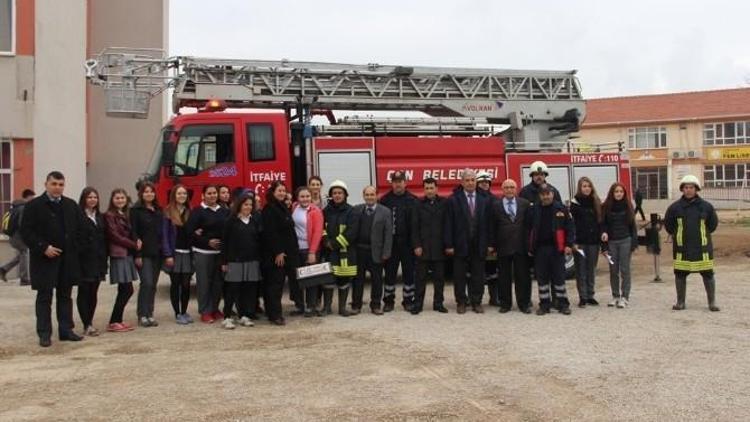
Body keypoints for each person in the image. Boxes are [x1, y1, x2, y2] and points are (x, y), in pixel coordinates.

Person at [20, 172, 85, 347]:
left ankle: (66, 330)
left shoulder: (71, 205)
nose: (57, 187)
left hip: (67, 259)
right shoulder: (34, 206)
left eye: (61, 184)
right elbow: (26, 232)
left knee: (65, 296)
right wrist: (43, 247)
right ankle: (44, 333)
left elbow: (81, 229)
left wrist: (75, 247)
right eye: (54, 184)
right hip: (44, 259)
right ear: (46, 184)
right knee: (44, 297)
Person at [664, 175, 720, 312]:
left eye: (691, 187)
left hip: (703, 248)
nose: (688, 190)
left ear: (696, 189)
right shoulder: (674, 208)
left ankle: (712, 302)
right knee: (680, 274)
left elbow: (712, 225)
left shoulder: (706, 207)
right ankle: (680, 302)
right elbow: (669, 226)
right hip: (682, 248)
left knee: (708, 274)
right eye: (686, 187)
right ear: (682, 189)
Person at [444, 169, 495, 314]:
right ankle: (461, 302)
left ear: (476, 182)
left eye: (473, 180)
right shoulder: (453, 200)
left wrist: (490, 243)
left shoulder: (484, 200)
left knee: (478, 275)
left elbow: (489, 224)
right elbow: (448, 223)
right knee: (459, 275)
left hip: (479, 244)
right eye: (467, 180)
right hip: (460, 244)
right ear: (462, 182)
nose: (470, 183)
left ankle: (476, 302)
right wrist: (449, 244)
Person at [526, 183, 574, 315]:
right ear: (540, 196)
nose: (546, 196)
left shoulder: (561, 209)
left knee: (559, 278)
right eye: (543, 194)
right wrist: (529, 246)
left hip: (557, 249)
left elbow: (570, 228)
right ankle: (544, 305)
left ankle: (563, 304)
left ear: (552, 194)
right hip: (540, 249)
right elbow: (528, 230)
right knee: (542, 279)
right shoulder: (533, 210)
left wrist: (569, 244)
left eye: (548, 194)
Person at [186, 185, 230, 323]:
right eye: (209, 193)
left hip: (220, 253)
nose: (212, 195)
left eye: (214, 193)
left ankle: (215, 309)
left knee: (217, 283)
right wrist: (207, 241)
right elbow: (189, 232)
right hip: (203, 252)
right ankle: (205, 311)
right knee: (204, 283)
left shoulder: (223, 211)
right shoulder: (198, 211)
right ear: (203, 195)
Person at [221, 193, 263, 329]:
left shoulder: (255, 220)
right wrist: (224, 262)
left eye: (251, 205)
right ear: (239, 205)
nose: (248, 207)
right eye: (246, 204)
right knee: (233, 289)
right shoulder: (231, 221)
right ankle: (227, 316)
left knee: (249, 290)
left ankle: (244, 315)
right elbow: (225, 242)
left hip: (252, 260)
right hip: (235, 261)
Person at [261, 181, 300, 325]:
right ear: (272, 192)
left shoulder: (282, 207)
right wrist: (278, 252)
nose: (282, 193)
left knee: (278, 284)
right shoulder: (269, 209)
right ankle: (274, 315)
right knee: (275, 285)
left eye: (284, 191)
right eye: (279, 191)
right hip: (276, 255)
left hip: (287, 252)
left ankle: (274, 311)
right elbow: (270, 233)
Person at [379, 170, 418, 312]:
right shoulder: (384, 200)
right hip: (391, 244)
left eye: (400, 182)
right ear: (392, 184)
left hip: (408, 244)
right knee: (390, 273)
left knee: (409, 273)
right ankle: (389, 301)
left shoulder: (413, 200)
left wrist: (416, 244)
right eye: (395, 182)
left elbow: (416, 225)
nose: (397, 184)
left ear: (405, 183)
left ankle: (408, 300)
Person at [492, 179, 532, 314]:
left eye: (512, 187)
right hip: (503, 246)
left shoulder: (525, 204)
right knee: (504, 277)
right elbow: (491, 226)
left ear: (516, 189)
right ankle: (505, 304)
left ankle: (524, 304)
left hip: (521, 246)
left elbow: (529, 226)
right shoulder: (495, 205)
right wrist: (492, 245)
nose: (509, 190)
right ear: (502, 190)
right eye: (506, 187)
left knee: (523, 277)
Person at [352, 186, 392, 315]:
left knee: (377, 280)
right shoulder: (356, 210)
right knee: (358, 280)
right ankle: (356, 305)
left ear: (377, 195)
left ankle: (375, 305)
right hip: (359, 251)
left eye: (372, 194)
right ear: (363, 196)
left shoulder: (385, 212)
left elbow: (388, 234)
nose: (369, 197)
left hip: (376, 252)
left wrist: (386, 252)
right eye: (367, 195)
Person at [411, 177, 448, 314]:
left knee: (439, 279)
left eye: (432, 188)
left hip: (439, 247)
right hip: (423, 248)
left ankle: (438, 304)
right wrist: (416, 245)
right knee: (420, 279)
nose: (429, 190)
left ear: (437, 189)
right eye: (427, 188)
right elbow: (414, 227)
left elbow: (447, 225)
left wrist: (447, 244)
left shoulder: (444, 203)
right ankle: (418, 304)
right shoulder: (417, 204)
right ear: (424, 189)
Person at [103, 188, 139, 333]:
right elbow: (114, 236)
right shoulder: (109, 216)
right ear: (112, 200)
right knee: (126, 289)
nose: (120, 200)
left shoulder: (126, 214)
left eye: (122, 198)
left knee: (125, 289)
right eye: (117, 198)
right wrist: (133, 244)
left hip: (127, 254)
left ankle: (117, 319)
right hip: (119, 254)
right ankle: (114, 321)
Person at [322, 180, 359, 317]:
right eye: (334, 193)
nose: (337, 195)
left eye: (340, 193)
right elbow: (322, 228)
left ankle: (342, 308)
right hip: (329, 252)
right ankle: (327, 307)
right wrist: (326, 241)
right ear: (331, 195)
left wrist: (335, 243)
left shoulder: (351, 211)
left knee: (344, 279)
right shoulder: (326, 211)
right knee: (328, 280)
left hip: (345, 252)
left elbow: (352, 232)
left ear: (345, 195)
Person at [130, 182, 164, 327]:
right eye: (146, 192)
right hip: (143, 253)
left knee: (153, 285)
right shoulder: (136, 210)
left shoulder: (158, 210)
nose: (149, 194)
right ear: (141, 194)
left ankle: (150, 313)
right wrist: (137, 254)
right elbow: (134, 232)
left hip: (157, 252)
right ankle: (142, 314)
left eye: (151, 191)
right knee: (147, 282)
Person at [76, 187, 108, 336]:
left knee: (94, 292)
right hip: (84, 260)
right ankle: (86, 323)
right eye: (89, 197)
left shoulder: (100, 217)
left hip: (99, 259)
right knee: (84, 292)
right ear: (84, 199)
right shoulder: (78, 216)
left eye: (95, 197)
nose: (93, 200)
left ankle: (90, 321)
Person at [601, 182, 638, 309]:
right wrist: (604, 237)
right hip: (611, 242)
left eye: (621, 192)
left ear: (624, 193)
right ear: (612, 193)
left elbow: (633, 226)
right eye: (616, 191)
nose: (618, 194)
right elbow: (603, 224)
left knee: (625, 270)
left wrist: (633, 243)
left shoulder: (628, 206)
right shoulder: (605, 206)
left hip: (625, 241)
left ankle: (625, 297)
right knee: (613, 270)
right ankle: (615, 296)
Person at [162, 184, 194, 325]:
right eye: (179, 194)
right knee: (175, 284)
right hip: (174, 253)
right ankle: (177, 313)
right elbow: (164, 235)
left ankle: (184, 311)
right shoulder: (168, 212)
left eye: (184, 194)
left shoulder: (190, 211)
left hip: (187, 253)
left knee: (186, 284)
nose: (182, 196)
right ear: (174, 195)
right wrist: (168, 254)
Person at [291, 186, 325, 317]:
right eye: (302, 196)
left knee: (310, 279)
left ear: (311, 197)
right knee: (298, 279)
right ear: (297, 198)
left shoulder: (315, 211)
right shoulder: (294, 207)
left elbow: (317, 233)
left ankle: (311, 306)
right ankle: (300, 306)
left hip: (310, 249)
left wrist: (312, 252)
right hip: (296, 249)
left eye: (307, 196)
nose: (305, 199)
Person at [570, 177, 603, 308]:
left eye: (589, 186)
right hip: (580, 242)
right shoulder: (575, 203)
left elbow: (600, 222)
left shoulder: (596, 202)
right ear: (580, 187)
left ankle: (590, 295)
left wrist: (601, 239)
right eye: (584, 186)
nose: (587, 188)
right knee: (581, 270)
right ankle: (582, 297)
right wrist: (573, 241)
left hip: (593, 242)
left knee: (591, 269)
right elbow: (571, 224)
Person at [0, 188, 35, 285]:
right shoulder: (23, 208)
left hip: (13, 236)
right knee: (25, 253)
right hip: (18, 236)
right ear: (27, 197)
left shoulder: (15, 207)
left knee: (23, 255)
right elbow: (22, 224)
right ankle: (24, 279)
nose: (33, 200)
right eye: (32, 198)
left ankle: (3, 269)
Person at [477, 170, 500, 306]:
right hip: (476, 242)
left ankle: (494, 297)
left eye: (487, 182)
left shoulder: (495, 200)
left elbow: (496, 224)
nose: (485, 185)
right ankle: (475, 298)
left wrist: (493, 243)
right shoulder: (474, 199)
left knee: (493, 272)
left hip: (490, 242)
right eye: (482, 182)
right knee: (473, 272)